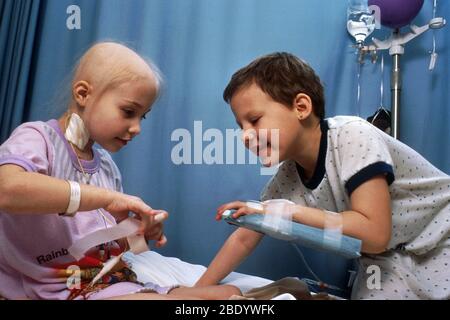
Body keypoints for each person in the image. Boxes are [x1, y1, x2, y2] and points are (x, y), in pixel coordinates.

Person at [195, 52, 450, 300]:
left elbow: (374, 234)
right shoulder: (286, 178)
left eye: (254, 120)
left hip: (441, 235)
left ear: (301, 107)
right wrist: (197, 291)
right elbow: (245, 236)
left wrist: (290, 211)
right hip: (387, 258)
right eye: (241, 127)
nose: (245, 136)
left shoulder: (353, 135)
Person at [0, 42, 240, 300]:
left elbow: (114, 249)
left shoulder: (105, 166)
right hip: (63, 289)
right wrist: (108, 198)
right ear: (83, 94)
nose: (136, 127)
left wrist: (140, 232)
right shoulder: (38, 139)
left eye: (142, 117)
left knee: (229, 293)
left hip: (111, 281)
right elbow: (7, 190)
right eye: (128, 112)